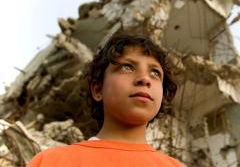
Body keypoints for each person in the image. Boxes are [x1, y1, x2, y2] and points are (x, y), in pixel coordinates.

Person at [27, 33, 183, 167]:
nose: (145, 79)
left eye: (155, 73)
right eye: (127, 67)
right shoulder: (50, 162)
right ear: (98, 90)